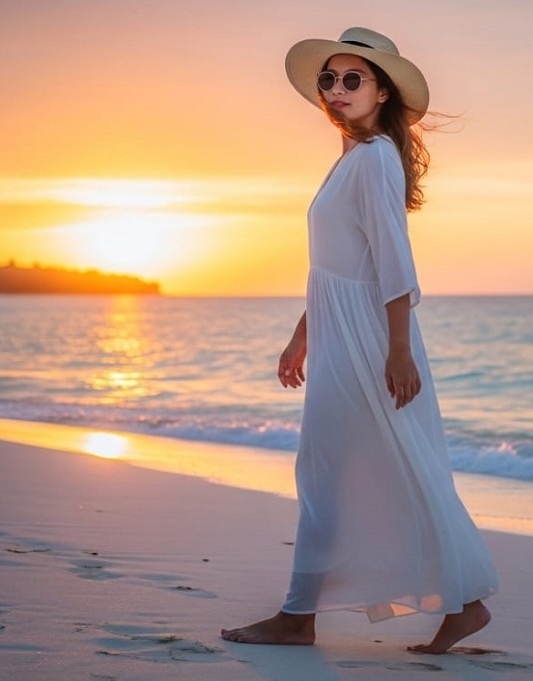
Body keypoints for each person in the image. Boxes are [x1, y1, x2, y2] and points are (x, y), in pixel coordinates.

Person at [221, 26, 498, 654]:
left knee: (329, 471)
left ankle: (299, 618)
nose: (337, 89)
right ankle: (465, 603)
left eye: (353, 79)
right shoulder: (351, 156)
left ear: (381, 92)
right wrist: (302, 337)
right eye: (329, 79)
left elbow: (392, 264)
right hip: (342, 331)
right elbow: (335, 267)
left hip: (370, 338)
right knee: (373, 467)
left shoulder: (374, 159)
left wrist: (397, 349)